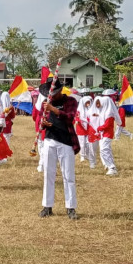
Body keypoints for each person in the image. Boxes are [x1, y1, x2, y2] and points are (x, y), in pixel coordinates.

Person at [37, 78, 79, 220]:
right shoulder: (47, 103)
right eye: (51, 93)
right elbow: (41, 123)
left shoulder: (71, 101)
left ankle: (71, 207)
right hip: (49, 140)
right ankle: (47, 206)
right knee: (48, 174)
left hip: (66, 141)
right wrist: (44, 124)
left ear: (61, 90)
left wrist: (54, 110)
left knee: (68, 176)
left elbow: (70, 118)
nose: (52, 96)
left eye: (55, 93)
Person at [75, 96, 93, 166]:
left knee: (88, 143)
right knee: (82, 144)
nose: (88, 104)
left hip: (88, 129)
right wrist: (80, 120)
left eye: (89, 102)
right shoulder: (79, 110)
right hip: (81, 129)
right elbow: (77, 118)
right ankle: (82, 155)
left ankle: (88, 155)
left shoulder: (90, 110)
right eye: (87, 102)